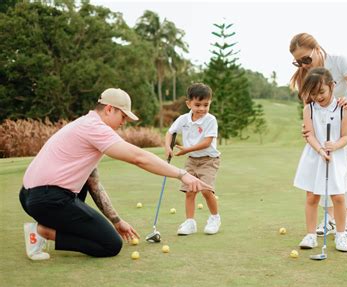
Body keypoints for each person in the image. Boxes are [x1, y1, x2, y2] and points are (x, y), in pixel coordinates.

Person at [20, 88, 211, 260]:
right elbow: (138, 157)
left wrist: (117, 221)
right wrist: (181, 174)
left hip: (30, 196)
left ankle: (46, 225)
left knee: (84, 193)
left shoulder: (84, 123)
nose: (124, 122)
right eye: (123, 116)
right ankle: (42, 231)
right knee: (110, 245)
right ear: (109, 109)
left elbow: (93, 183)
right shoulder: (95, 128)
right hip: (47, 199)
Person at [289, 32, 347, 238]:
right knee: (324, 162)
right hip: (327, 120)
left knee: (346, 164)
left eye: (306, 59)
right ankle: (331, 219)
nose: (304, 65)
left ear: (317, 49)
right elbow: (311, 110)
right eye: (298, 62)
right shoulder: (306, 76)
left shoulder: (339, 61)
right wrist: (308, 129)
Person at [293, 67, 347, 252]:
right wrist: (320, 149)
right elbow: (309, 134)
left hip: (335, 156)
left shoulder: (343, 108)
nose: (318, 97)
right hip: (314, 155)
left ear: (332, 86)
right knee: (312, 197)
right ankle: (310, 235)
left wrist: (334, 146)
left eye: (321, 92)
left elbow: (346, 136)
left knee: (339, 197)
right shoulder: (309, 109)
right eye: (313, 93)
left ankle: (341, 235)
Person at [165, 83, 221, 236]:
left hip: (209, 160)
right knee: (190, 191)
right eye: (197, 104)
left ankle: (215, 218)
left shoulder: (211, 120)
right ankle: (190, 223)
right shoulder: (183, 119)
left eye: (206, 104)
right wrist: (167, 147)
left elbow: (207, 142)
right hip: (192, 160)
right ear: (188, 103)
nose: (202, 108)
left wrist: (186, 150)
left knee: (206, 191)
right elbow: (170, 133)